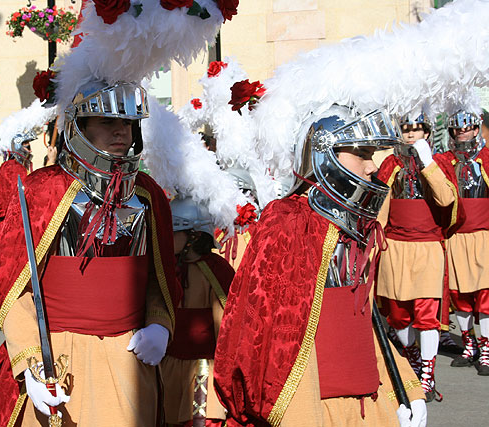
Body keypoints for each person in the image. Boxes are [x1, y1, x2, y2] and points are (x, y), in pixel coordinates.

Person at [0, 81, 181, 426]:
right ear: (79, 126)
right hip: (57, 358)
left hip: (129, 362)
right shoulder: (42, 189)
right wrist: (29, 360)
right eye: (107, 121)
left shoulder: (148, 195)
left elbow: (160, 277)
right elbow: (9, 288)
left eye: (127, 123)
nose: (121, 130)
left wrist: (160, 324)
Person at [214, 107, 426, 426]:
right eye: (361, 153)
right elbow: (268, 338)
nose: (372, 166)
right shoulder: (288, 223)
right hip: (313, 407)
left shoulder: (358, 226)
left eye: (373, 154)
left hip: (369, 402)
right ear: (324, 154)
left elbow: (364, 320)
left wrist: (405, 387)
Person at [376, 113, 458, 401]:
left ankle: (426, 373)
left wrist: (428, 163)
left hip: (427, 247)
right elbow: (380, 208)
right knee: (397, 315)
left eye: (417, 129)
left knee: (426, 314)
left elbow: (446, 200)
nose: (411, 135)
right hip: (395, 248)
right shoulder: (391, 164)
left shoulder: (440, 163)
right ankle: (411, 356)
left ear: (427, 131)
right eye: (407, 130)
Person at [162, 196, 234, 427]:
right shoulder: (165, 267)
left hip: (203, 373)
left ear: (193, 236)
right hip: (166, 369)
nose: (167, 237)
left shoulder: (217, 270)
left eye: (174, 232)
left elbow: (226, 328)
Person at [433, 110, 489, 376]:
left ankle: (487, 348)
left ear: (477, 129)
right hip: (456, 236)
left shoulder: (488, 159)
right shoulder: (444, 161)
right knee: (460, 295)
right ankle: (470, 344)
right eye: (456, 130)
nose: (461, 134)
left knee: (486, 295)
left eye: (466, 129)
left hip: (484, 236)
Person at [0, 132, 34, 223]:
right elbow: (14, 194)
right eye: (28, 147)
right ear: (19, 147)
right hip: (12, 218)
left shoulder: (22, 167)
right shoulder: (11, 167)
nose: (30, 151)